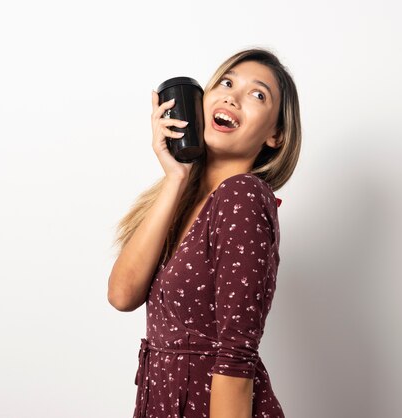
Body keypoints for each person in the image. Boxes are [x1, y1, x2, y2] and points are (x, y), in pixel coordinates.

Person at [108, 47, 301, 418]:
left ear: (275, 134)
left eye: (257, 94)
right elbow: (121, 294)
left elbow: (236, 357)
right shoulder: (185, 202)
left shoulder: (241, 196)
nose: (233, 95)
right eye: (226, 83)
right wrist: (176, 176)